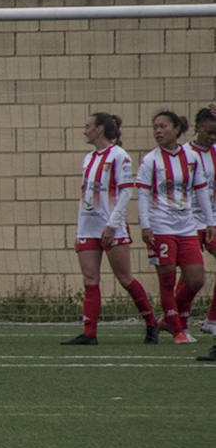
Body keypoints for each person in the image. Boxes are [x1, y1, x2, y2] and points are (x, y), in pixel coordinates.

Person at [63, 112, 158, 345]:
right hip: (87, 227)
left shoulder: (119, 156)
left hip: (111, 228)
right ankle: (89, 333)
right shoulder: (88, 158)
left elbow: (126, 192)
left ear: (99, 129)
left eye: (88, 126)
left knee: (125, 278)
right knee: (90, 279)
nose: (84, 130)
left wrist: (112, 225)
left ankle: (152, 323)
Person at [135, 109, 213, 344]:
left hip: (187, 226)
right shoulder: (150, 160)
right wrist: (146, 226)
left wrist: (210, 222)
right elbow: (142, 194)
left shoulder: (191, 158)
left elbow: (200, 191)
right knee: (167, 281)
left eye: (163, 126)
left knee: (196, 279)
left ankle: (170, 321)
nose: (158, 131)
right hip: (161, 226)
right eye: (155, 127)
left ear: (177, 129)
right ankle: (178, 330)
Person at [186, 106, 216, 340]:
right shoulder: (185, 153)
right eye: (209, 133)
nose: (212, 138)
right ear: (198, 128)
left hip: (211, 221)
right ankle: (176, 319)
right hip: (187, 222)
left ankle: (212, 320)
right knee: (192, 277)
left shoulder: (215, 152)